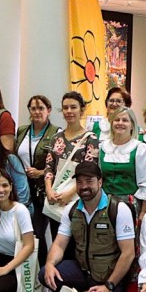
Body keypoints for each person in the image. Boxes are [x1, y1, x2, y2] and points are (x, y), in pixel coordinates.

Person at [41, 162, 135, 292]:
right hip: (83, 272)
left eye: (89, 181)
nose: (84, 186)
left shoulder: (118, 209)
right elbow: (59, 243)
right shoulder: (71, 210)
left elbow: (128, 254)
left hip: (110, 278)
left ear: (100, 182)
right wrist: (49, 264)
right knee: (45, 274)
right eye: (79, 182)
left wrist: (109, 286)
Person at [43, 91, 99, 236]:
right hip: (56, 196)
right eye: (65, 108)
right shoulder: (56, 138)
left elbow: (90, 171)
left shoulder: (90, 139)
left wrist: (70, 194)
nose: (69, 111)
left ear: (82, 110)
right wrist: (49, 190)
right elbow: (49, 167)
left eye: (73, 107)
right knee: (57, 238)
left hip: (79, 199)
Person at [15, 94, 58, 263]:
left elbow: (58, 164)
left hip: (43, 191)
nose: (37, 112)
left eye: (41, 108)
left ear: (49, 110)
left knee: (39, 233)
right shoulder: (22, 131)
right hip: (23, 189)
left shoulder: (56, 133)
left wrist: (41, 172)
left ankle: (44, 269)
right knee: (25, 232)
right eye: (33, 108)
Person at [98, 106, 146, 219]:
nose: (120, 123)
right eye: (117, 120)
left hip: (130, 205)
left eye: (125, 120)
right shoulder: (103, 147)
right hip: (104, 203)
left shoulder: (140, 149)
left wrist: (143, 212)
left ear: (132, 125)